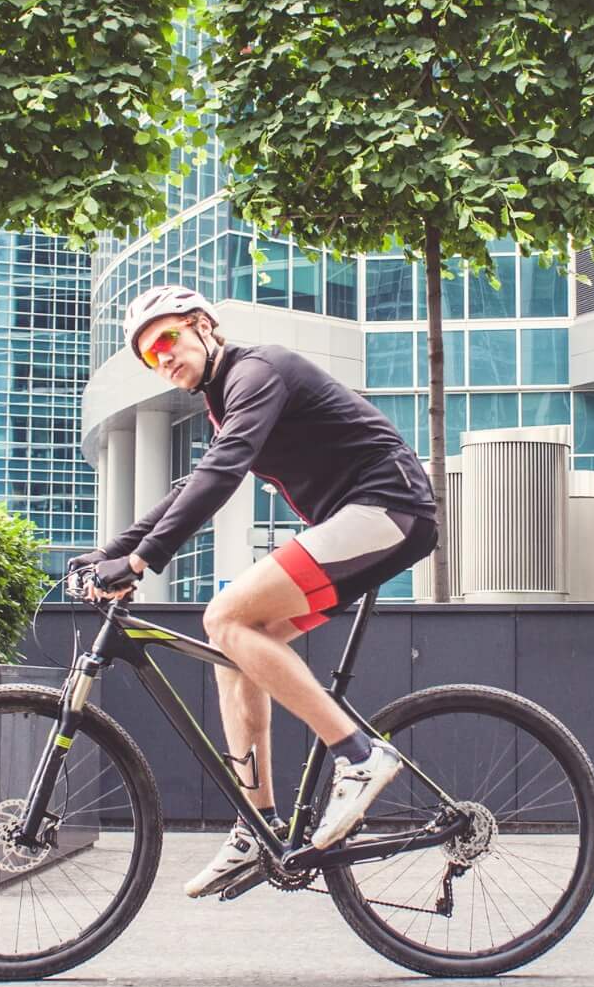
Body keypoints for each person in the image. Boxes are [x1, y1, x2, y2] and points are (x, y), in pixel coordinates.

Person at [70, 284, 439, 899]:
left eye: (166, 339)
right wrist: (112, 550)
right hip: (356, 518)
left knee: (226, 615)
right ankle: (257, 826)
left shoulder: (257, 370)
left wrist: (141, 561)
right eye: (147, 355)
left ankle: (359, 754)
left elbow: (222, 472)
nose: (161, 357)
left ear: (202, 326)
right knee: (235, 649)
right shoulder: (225, 399)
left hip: (389, 504)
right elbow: (192, 482)